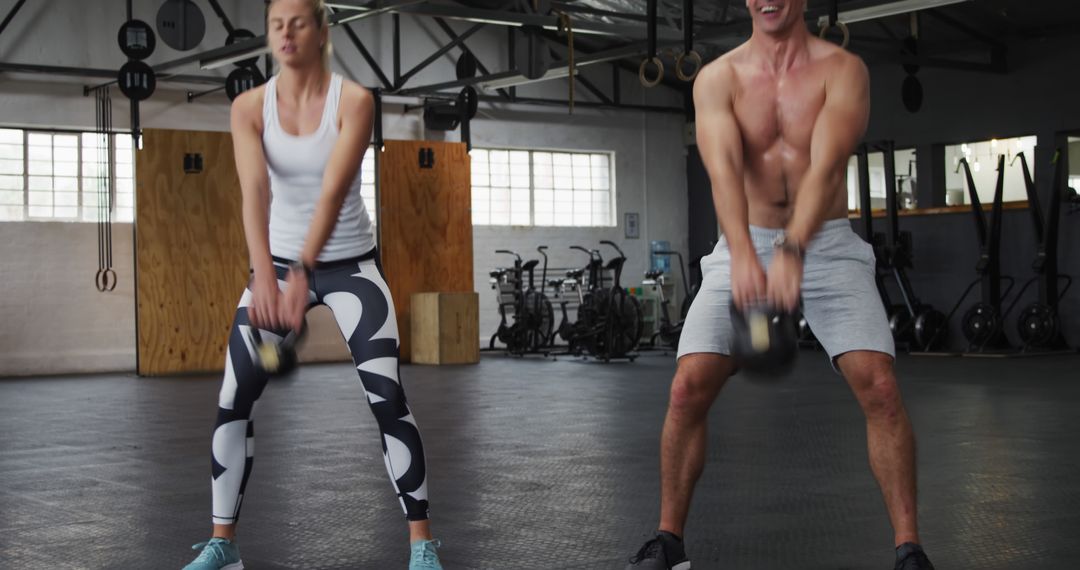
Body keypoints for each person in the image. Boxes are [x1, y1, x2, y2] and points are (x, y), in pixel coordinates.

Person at [625, 1, 934, 569]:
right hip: (743, 240)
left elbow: (825, 165)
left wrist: (793, 249)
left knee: (881, 386)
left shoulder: (843, 72)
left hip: (829, 245)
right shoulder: (719, 78)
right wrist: (744, 252)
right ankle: (668, 541)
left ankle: (909, 548)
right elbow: (721, 171)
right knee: (686, 387)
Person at [182, 1, 442, 568]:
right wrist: (265, 277)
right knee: (233, 399)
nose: (286, 33)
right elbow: (254, 193)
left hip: (351, 266)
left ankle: (422, 544)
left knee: (388, 399)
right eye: (276, 24)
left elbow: (331, 190)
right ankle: (223, 542)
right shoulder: (249, 106)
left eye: (298, 22)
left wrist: (303, 270)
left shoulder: (355, 101)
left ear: (323, 31)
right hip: (273, 265)